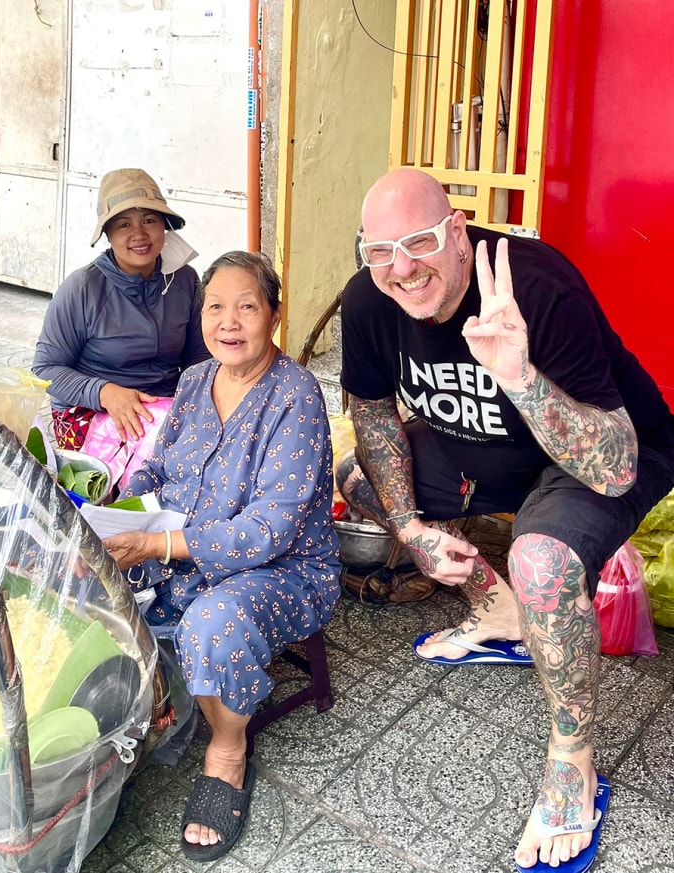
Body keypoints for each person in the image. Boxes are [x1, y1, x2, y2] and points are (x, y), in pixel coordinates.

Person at [336, 168, 674, 870]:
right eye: (380, 251)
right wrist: (410, 528)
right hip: (481, 447)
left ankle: (573, 763)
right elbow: (371, 413)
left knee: (542, 558)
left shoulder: (537, 286)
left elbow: (614, 464)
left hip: (591, 447)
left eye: (421, 242)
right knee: (357, 478)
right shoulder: (370, 295)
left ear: (458, 232)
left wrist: (518, 374)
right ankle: (498, 611)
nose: (401, 269)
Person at [102, 250, 341, 861]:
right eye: (215, 307)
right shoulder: (192, 380)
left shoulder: (296, 395)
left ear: (275, 315)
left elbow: (270, 529)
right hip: (179, 543)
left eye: (246, 306)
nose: (228, 322)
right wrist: (120, 506)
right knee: (83, 575)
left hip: (283, 569)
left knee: (214, 622)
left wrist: (157, 543)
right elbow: (158, 464)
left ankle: (227, 751)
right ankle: (128, 714)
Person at [32, 167, 209, 452]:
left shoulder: (185, 279)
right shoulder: (82, 288)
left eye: (149, 220)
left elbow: (198, 357)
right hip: (90, 410)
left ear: (164, 225)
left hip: (162, 409)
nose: (139, 234)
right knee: (143, 477)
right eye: (124, 224)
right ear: (108, 234)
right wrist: (105, 393)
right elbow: (45, 370)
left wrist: (197, 403)